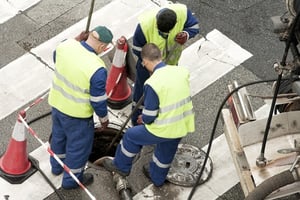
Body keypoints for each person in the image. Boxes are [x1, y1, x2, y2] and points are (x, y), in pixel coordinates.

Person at [102, 43, 195, 187]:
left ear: (145, 62)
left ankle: (121, 167)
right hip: (182, 124)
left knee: (131, 136)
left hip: (164, 128)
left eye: (144, 64)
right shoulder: (181, 72)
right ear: (161, 56)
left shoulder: (153, 83)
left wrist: (143, 118)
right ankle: (157, 177)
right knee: (165, 153)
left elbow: (150, 115)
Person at [48, 26, 113, 189]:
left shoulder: (65, 45)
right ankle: (71, 181)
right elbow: (98, 100)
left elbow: (57, 58)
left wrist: (76, 40)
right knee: (78, 149)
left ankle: (56, 167)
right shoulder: (97, 68)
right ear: (102, 47)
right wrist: (104, 119)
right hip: (77, 116)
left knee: (58, 138)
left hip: (57, 105)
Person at [131, 3, 200, 125]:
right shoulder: (145, 25)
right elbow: (137, 48)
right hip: (147, 69)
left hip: (170, 65)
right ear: (156, 22)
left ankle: (157, 118)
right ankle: (137, 121)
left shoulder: (182, 13)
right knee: (143, 93)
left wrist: (186, 34)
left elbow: (194, 27)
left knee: (164, 93)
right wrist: (150, 66)